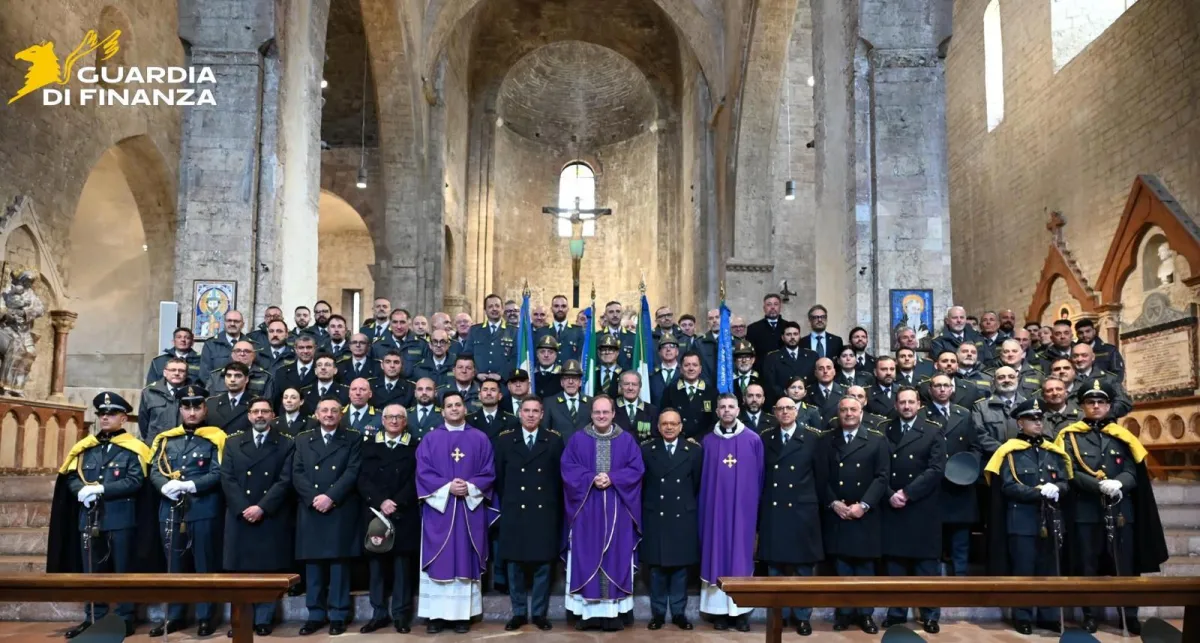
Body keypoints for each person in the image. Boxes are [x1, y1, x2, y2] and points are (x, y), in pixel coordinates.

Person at [1054, 381, 1168, 635]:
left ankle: (1128, 614)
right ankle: (1090, 615)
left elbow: (1132, 470)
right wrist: (1097, 486)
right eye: (1090, 402)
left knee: (1126, 567)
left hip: (1120, 512)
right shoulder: (1069, 435)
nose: (1096, 406)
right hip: (1086, 510)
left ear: (1108, 406)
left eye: (1101, 402)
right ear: (1082, 405)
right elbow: (1069, 470)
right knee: (1088, 565)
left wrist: (1120, 483)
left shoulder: (1123, 435)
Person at [51, 392, 150, 639]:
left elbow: (135, 480)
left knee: (123, 570)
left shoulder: (134, 448)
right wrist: (81, 490)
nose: (105, 418)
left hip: (121, 517)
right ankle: (94, 617)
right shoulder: (86, 447)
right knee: (92, 571)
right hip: (90, 518)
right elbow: (71, 476)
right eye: (102, 414)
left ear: (123, 418)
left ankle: (125, 618)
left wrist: (102, 489)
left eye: (111, 414)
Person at [984, 398, 1072, 635]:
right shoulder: (1010, 452)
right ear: (1020, 422)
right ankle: (1022, 615)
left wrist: (1058, 489)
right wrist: (1036, 492)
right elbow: (1008, 486)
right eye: (1032, 419)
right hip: (1022, 520)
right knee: (1024, 570)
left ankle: (1048, 615)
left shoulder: (1052, 451)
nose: (1037, 422)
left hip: (1051, 518)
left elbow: (1065, 481)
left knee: (1050, 570)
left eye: (1039, 418)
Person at [415, 391, 497, 634]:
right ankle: (435, 616)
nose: (453, 409)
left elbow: (488, 471)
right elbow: (422, 472)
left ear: (465, 408)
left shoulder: (480, 438)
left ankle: (463, 616)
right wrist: (447, 487)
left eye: (458, 405)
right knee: (438, 560)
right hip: (439, 511)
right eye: (449, 405)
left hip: (469, 512)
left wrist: (469, 487)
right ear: (442, 411)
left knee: (465, 558)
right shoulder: (430, 439)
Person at [148, 384, 227, 637]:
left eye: (197, 406)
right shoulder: (166, 439)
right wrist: (164, 486)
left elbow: (218, 472)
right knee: (174, 566)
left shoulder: (216, 437)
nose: (191, 412)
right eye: (186, 407)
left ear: (205, 408)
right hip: (171, 508)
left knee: (205, 565)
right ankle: (175, 616)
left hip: (203, 507)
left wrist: (192, 484)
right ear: (180, 409)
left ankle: (205, 617)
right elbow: (155, 470)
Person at [561, 396, 644, 631]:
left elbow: (637, 469)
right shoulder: (578, 440)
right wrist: (591, 478)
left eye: (605, 412)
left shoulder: (627, 440)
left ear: (613, 413)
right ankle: (587, 614)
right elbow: (568, 468)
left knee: (615, 557)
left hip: (618, 508)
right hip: (587, 509)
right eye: (597, 412)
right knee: (587, 556)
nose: (601, 416)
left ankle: (613, 613)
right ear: (591, 414)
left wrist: (613, 478)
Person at [219, 397, 295, 637]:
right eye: (255, 412)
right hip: (240, 515)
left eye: (265, 411)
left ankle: (263, 619)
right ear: (249, 415)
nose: (260, 415)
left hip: (270, 514)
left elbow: (285, 480)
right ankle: (241, 620)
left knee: (267, 570)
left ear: (273, 415)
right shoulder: (232, 443)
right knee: (240, 572)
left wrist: (262, 507)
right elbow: (227, 479)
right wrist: (244, 507)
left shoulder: (285, 443)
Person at [293, 396, 364, 637]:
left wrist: (330, 497)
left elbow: (353, 471)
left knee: (338, 565)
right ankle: (315, 614)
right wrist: (315, 497)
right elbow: (297, 472)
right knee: (313, 565)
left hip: (339, 507)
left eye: (334, 410)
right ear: (316, 414)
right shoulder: (303, 439)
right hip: (311, 507)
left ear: (341, 414)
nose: (330, 414)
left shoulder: (353, 438)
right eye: (325, 410)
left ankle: (338, 614)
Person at [758, 395, 827, 636]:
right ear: (775, 413)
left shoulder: (813, 438)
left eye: (790, 408)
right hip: (775, 510)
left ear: (797, 412)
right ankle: (780, 615)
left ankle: (802, 616)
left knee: (802, 569)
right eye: (780, 409)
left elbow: (820, 477)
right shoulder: (766, 438)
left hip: (802, 511)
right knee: (775, 568)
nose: (785, 412)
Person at [494, 396, 564, 631]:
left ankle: (539, 613)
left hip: (544, 510)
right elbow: (500, 478)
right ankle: (519, 612)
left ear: (542, 414)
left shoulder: (553, 441)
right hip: (515, 509)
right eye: (527, 410)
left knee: (544, 565)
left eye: (536, 411)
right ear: (519, 413)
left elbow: (558, 479)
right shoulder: (505, 441)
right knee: (514, 565)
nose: (531, 415)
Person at [880, 388, 946, 633]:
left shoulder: (932, 430)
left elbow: (936, 469)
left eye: (911, 402)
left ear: (919, 404)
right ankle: (896, 613)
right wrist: (889, 493)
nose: (906, 406)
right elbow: (879, 468)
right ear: (896, 405)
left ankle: (930, 614)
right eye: (902, 402)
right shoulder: (885, 429)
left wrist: (907, 493)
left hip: (921, 505)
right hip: (893, 505)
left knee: (926, 566)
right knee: (895, 565)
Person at [824, 396, 888, 634]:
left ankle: (865, 614)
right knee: (841, 568)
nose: (848, 413)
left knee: (864, 569)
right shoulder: (827, 440)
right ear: (838, 413)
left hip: (865, 514)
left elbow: (882, 477)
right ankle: (843, 613)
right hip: (838, 513)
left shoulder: (876, 440)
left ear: (861, 412)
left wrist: (864, 505)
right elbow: (822, 476)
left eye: (853, 409)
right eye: (843, 410)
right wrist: (833, 503)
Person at [698, 395, 763, 632]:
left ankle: (742, 612)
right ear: (716, 411)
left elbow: (760, 476)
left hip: (744, 514)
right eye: (722, 407)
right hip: (714, 512)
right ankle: (719, 613)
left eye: (731, 407)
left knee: (740, 558)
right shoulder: (707, 442)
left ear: (738, 410)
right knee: (717, 555)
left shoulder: (753, 440)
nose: (727, 411)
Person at [357, 404, 420, 634]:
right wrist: (381, 501)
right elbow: (362, 478)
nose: (394, 421)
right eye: (390, 417)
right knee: (377, 567)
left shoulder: (415, 445)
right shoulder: (368, 445)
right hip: (376, 514)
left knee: (403, 568)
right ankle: (378, 614)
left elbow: (417, 478)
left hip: (403, 513)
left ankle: (401, 616)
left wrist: (397, 502)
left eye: (399, 417)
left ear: (405, 421)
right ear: (382, 420)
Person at [641, 409, 701, 631]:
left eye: (673, 424)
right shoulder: (647, 450)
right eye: (665, 423)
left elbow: (696, 483)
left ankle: (678, 613)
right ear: (658, 427)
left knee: (679, 569)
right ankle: (658, 613)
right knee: (657, 568)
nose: (669, 427)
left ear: (681, 426)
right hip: (656, 513)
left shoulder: (693, 451)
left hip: (682, 514)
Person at [920, 373, 979, 576]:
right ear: (930, 390)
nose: (942, 389)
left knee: (960, 538)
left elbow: (975, 446)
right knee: (932, 539)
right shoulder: (921, 414)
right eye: (938, 385)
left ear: (952, 389)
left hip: (960, 485)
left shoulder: (964, 414)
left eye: (946, 385)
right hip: (932, 486)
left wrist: (969, 469)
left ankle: (960, 581)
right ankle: (935, 582)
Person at [660, 353, 717, 439]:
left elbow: (715, 422)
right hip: (678, 442)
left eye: (695, 365)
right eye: (687, 365)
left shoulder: (711, 392)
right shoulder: (670, 391)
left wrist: (698, 439)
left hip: (703, 443)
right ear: (681, 369)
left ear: (700, 369)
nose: (691, 368)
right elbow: (663, 418)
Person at [763, 321, 818, 405]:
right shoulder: (772, 357)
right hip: (782, 403)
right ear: (782, 337)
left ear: (799, 336)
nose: (792, 337)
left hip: (806, 403)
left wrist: (803, 395)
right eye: (788, 334)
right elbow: (771, 384)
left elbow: (815, 382)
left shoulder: (812, 356)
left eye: (795, 334)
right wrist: (787, 396)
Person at [467, 294, 517, 384]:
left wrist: (501, 374)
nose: (494, 309)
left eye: (497, 306)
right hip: (478, 383)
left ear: (502, 309)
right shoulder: (475, 330)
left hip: (503, 383)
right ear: (485, 310)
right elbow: (467, 355)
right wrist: (476, 373)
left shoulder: (513, 331)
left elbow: (515, 357)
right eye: (490, 306)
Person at [139, 356, 188, 445]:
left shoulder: (194, 392)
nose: (177, 373)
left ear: (186, 374)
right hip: (157, 445)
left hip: (184, 446)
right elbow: (143, 423)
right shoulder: (149, 392)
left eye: (181, 371)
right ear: (165, 373)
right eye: (172, 370)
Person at [541, 359, 592, 440]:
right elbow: (544, 432)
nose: (570, 382)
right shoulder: (549, 403)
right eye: (567, 378)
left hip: (585, 451)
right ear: (562, 382)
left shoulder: (591, 402)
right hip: (559, 451)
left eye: (574, 378)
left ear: (580, 382)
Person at [612, 371, 658, 442]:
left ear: (640, 386)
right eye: (626, 384)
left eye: (634, 384)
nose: (630, 388)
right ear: (620, 386)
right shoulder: (611, 408)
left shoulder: (652, 410)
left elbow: (655, 438)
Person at [746, 293, 788, 364]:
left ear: (780, 307)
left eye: (776, 304)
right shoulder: (752, 328)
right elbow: (750, 354)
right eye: (769, 304)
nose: (772, 307)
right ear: (764, 308)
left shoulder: (788, 327)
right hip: (762, 371)